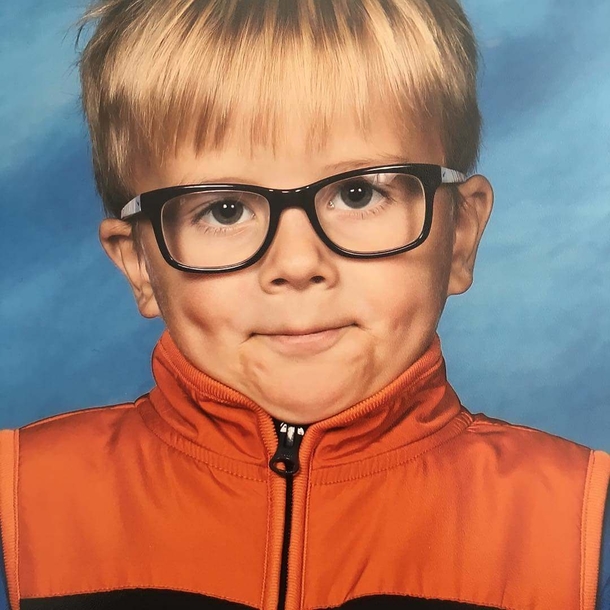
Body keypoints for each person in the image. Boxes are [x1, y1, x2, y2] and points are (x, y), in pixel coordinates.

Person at [0, 0, 608, 608]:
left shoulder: (582, 525)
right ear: (140, 264)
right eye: (225, 209)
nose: (296, 264)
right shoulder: (20, 503)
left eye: (358, 192)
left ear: (462, 236)